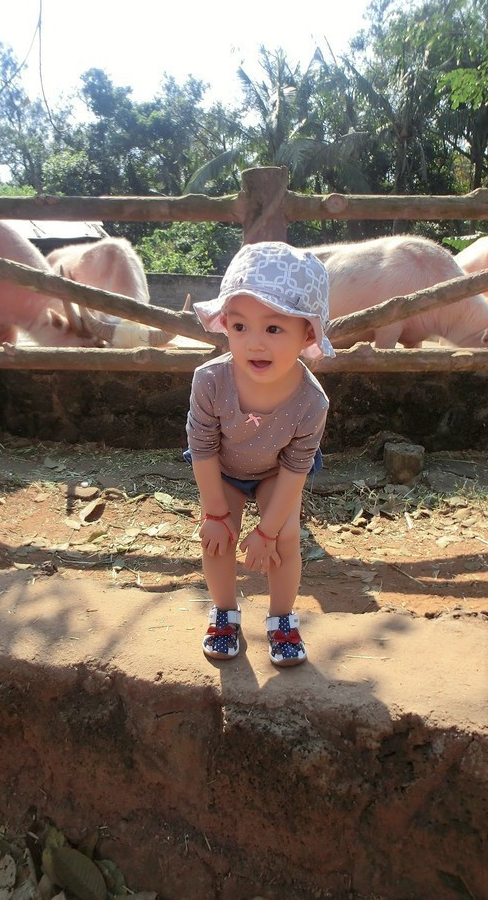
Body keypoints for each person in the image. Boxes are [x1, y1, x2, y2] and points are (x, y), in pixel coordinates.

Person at [185, 240, 335, 666]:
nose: (254, 343)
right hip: (224, 470)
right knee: (217, 536)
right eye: (239, 327)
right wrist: (214, 514)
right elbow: (202, 447)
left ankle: (283, 618)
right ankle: (225, 613)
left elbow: (295, 469)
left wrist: (267, 531)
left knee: (286, 537)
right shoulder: (210, 381)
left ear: (307, 332)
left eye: (273, 328)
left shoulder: (312, 402)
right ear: (226, 324)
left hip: (276, 474)